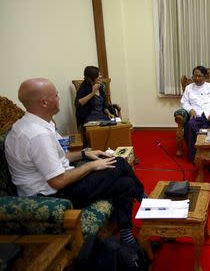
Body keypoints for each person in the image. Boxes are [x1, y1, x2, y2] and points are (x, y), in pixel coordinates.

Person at [5, 78, 145, 245]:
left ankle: (127, 236)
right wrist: (92, 165)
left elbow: (60, 158)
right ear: (44, 102)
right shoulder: (37, 135)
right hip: (53, 197)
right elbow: (58, 181)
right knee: (120, 163)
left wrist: (86, 154)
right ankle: (148, 202)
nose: (59, 98)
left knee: (126, 183)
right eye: (56, 95)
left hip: (56, 186)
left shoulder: (33, 124)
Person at [181, 66, 210, 162]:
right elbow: (184, 102)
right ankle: (196, 157)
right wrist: (190, 109)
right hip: (197, 116)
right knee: (190, 125)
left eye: (200, 76)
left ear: (205, 76)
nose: (197, 79)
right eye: (195, 76)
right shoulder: (189, 88)